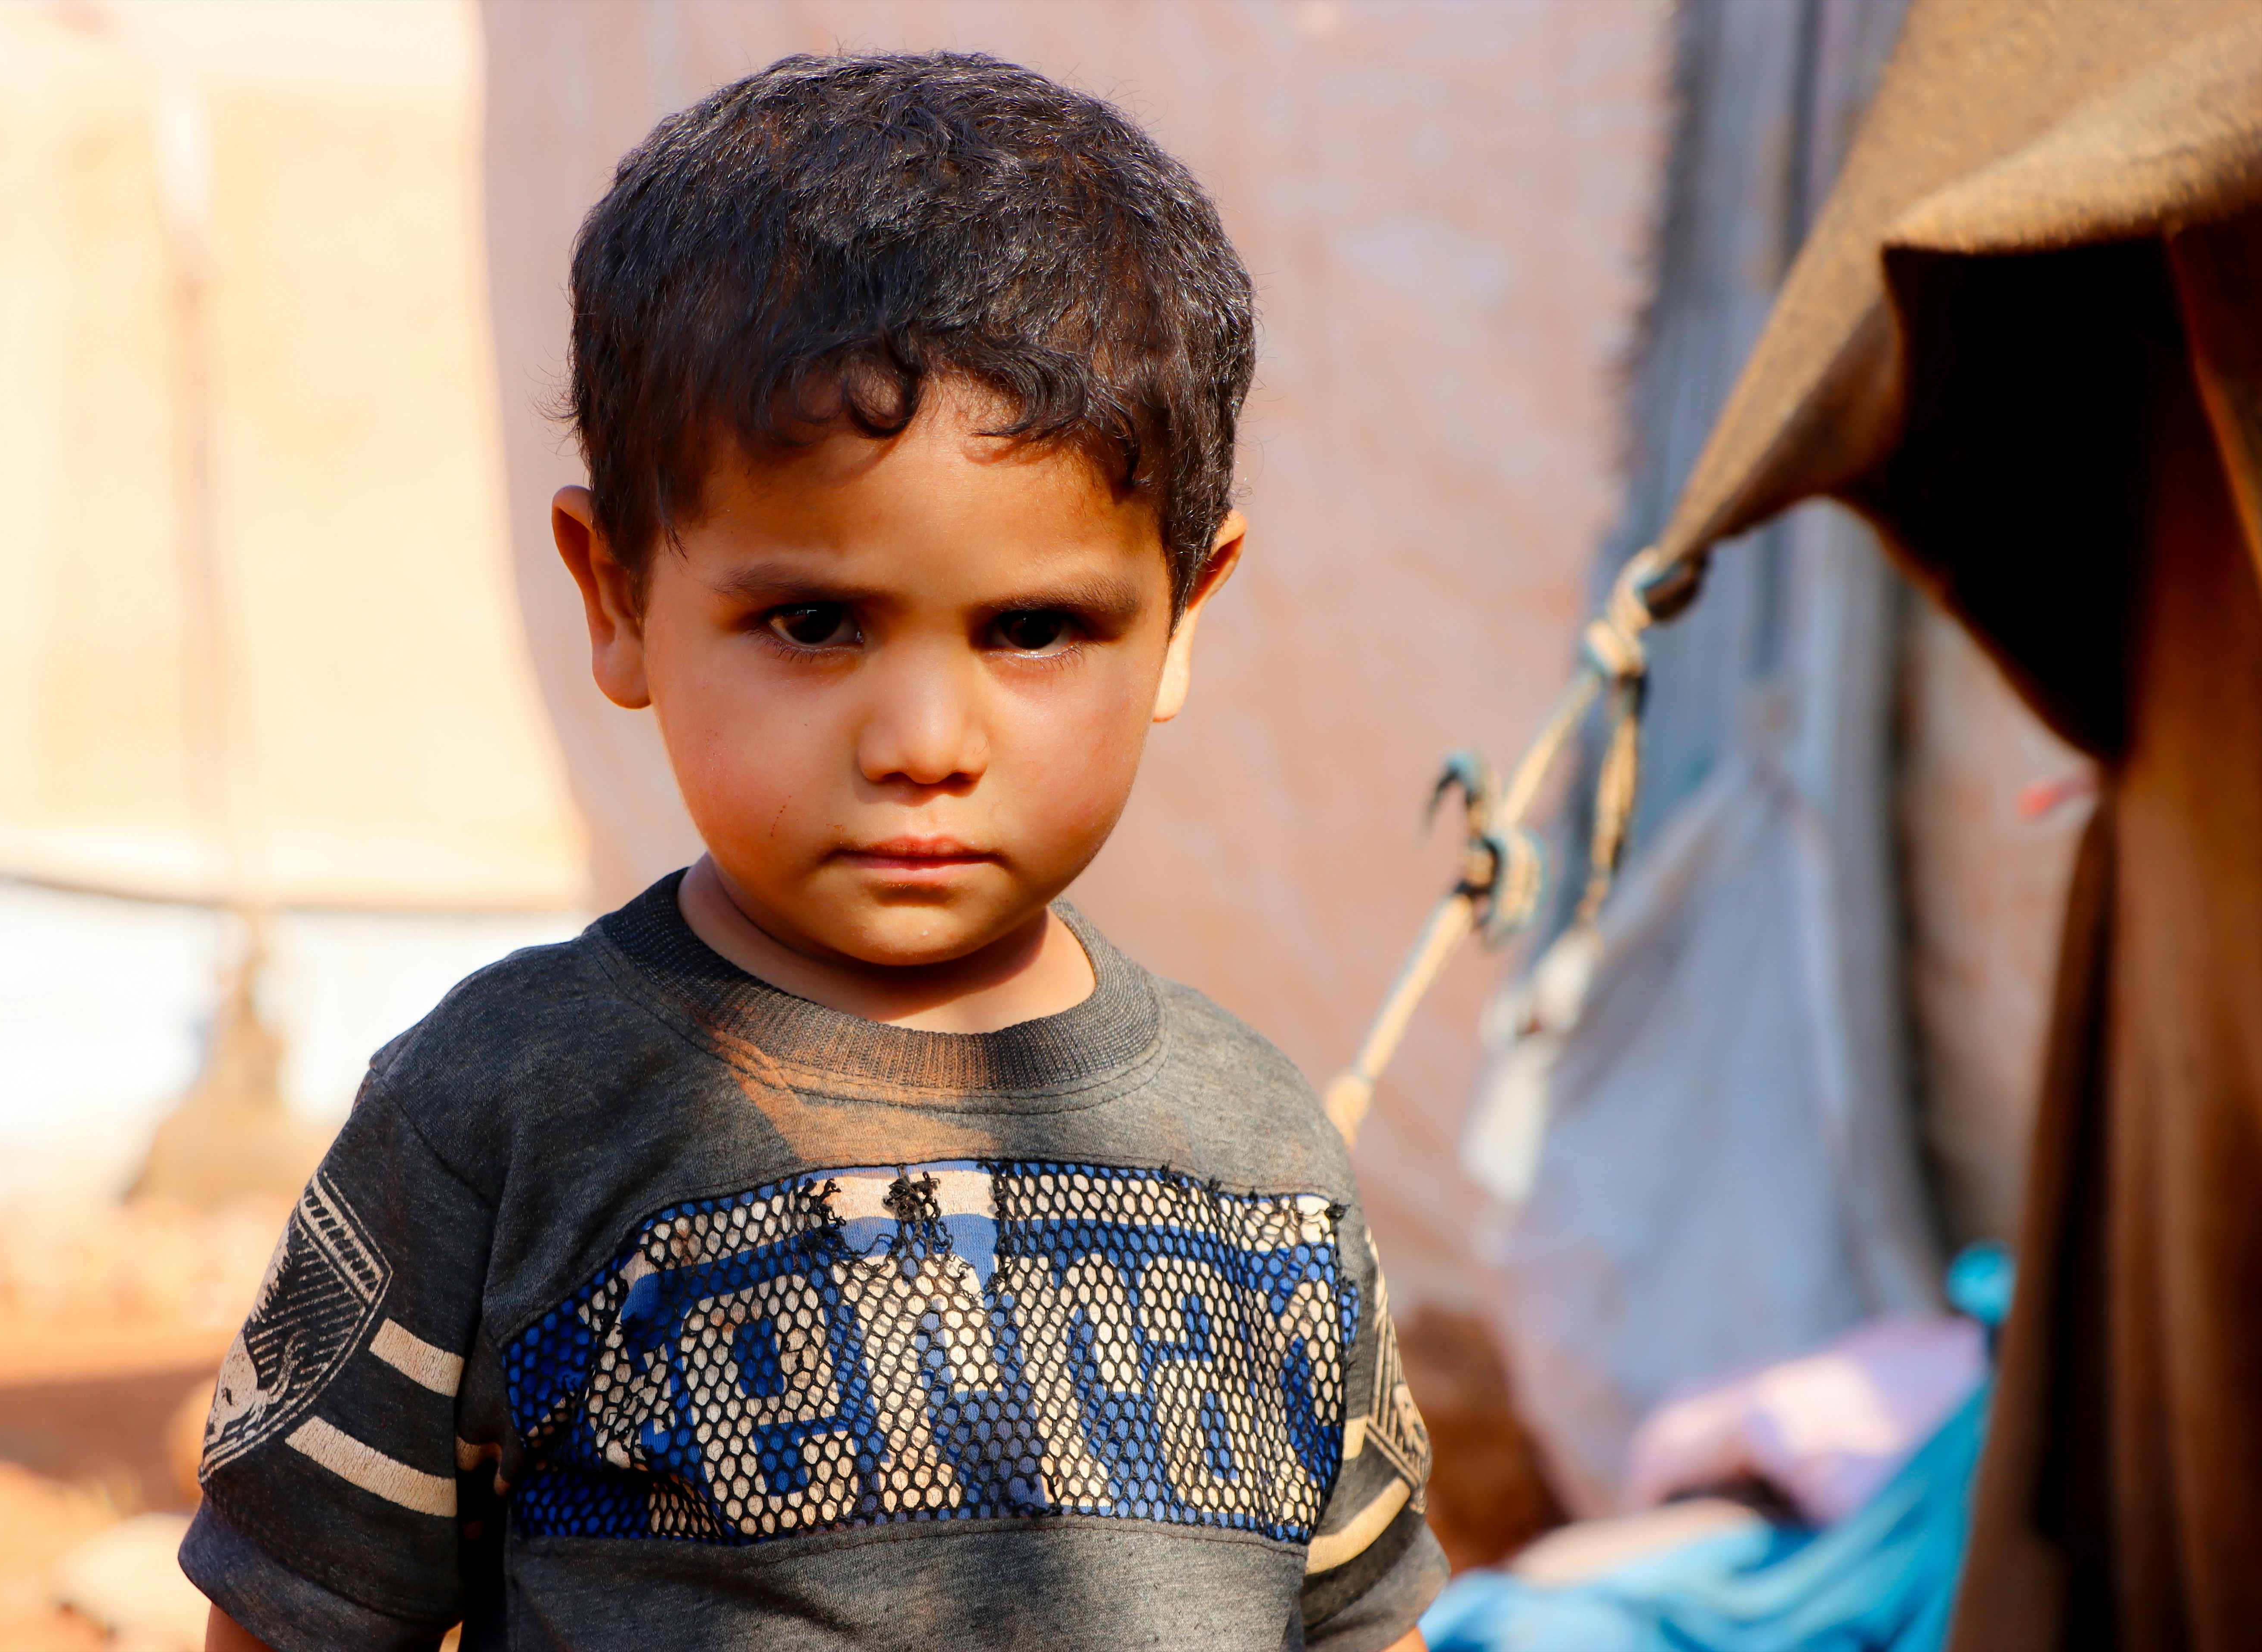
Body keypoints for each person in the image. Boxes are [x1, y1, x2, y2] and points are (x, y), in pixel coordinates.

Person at [182, 50, 1443, 1652]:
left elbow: (1359, 1628)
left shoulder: (1259, 1151)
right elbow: (300, 1618)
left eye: (1035, 629)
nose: (925, 738)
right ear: (617, 591)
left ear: (1187, 613)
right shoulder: (499, 1110)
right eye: (814, 621)